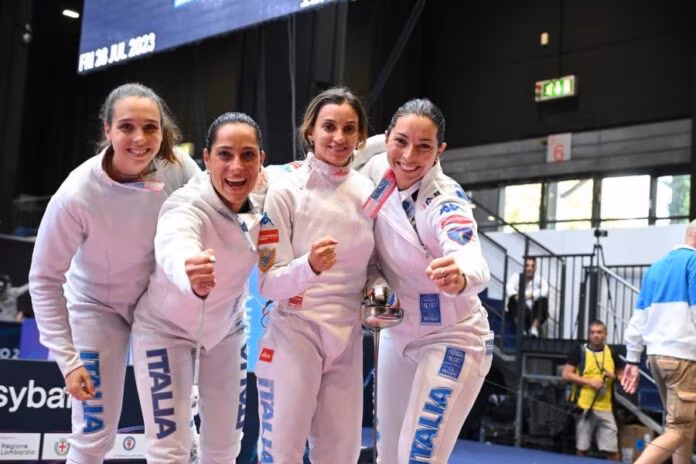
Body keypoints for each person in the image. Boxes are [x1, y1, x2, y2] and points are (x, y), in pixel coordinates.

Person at [28, 83, 200, 464]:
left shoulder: (180, 168)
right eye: (126, 127)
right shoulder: (76, 194)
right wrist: (68, 360)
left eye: (150, 128)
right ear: (107, 130)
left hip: (158, 311)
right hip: (97, 310)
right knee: (92, 435)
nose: (140, 139)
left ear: (162, 131)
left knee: (173, 435)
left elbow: (217, 212)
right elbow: (44, 278)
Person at [360, 98, 493, 463]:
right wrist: (376, 283)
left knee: (416, 457)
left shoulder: (444, 199)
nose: (409, 157)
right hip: (398, 334)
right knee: (387, 456)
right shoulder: (377, 171)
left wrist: (461, 274)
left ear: (439, 151)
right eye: (400, 141)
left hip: (452, 337)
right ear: (386, 138)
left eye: (423, 147)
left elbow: (468, 250)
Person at [131, 112, 265, 463]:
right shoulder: (187, 204)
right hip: (164, 329)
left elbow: (317, 167)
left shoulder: (266, 195)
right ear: (206, 158)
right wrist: (188, 268)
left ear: (261, 160)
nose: (236, 167)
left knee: (224, 449)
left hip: (226, 330)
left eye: (247, 155)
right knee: (169, 451)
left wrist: (381, 145)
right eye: (224, 154)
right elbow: (174, 240)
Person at [255, 87, 377, 463]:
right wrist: (309, 267)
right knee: (282, 452)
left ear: (360, 136)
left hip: (347, 337)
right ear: (310, 131)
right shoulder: (285, 191)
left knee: (340, 455)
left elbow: (375, 265)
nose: (339, 137)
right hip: (295, 331)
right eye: (329, 127)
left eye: (349, 128)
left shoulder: (369, 193)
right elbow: (267, 283)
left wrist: (379, 291)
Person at [621, 220, 696, 464]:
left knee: (684, 427)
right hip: (683, 358)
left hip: (656, 358)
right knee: (679, 429)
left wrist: (632, 360)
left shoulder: (655, 268)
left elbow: (638, 319)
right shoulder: (694, 262)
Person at [562, 320, 622, 460]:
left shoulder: (612, 353)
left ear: (605, 334)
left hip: (606, 408)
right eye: (592, 332)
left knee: (612, 450)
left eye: (599, 332)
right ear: (589, 335)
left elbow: (622, 376)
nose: (596, 335)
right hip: (584, 406)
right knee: (582, 448)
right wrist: (590, 382)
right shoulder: (579, 351)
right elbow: (566, 374)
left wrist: (614, 376)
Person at [506, 256, 549, 337]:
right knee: (512, 300)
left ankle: (533, 329)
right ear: (524, 267)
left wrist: (531, 295)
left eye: (532, 266)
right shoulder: (516, 277)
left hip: (533, 311)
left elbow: (545, 290)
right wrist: (516, 296)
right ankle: (521, 330)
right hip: (520, 308)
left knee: (543, 300)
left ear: (535, 268)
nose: (530, 268)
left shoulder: (539, 279)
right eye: (527, 265)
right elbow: (509, 287)